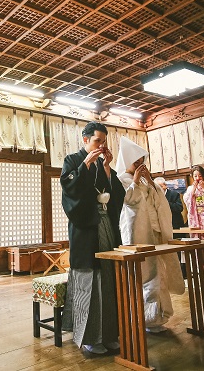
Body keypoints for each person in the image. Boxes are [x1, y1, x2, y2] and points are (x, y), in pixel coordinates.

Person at [60, 122, 125, 354]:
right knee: (89, 282)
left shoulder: (102, 163)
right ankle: (89, 338)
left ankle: (108, 334)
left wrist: (107, 168)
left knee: (108, 278)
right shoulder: (72, 160)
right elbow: (70, 189)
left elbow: (116, 194)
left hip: (105, 224)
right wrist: (86, 164)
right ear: (85, 140)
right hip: (85, 230)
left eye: (104, 142)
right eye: (98, 141)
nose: (101, 146)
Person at [117, 138, 184, 332]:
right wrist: (136, 182)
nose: (139, 166)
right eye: (135, 162)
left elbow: (159, 203)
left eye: (141, 162)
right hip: (139, 232)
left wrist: (151, 182)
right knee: (146, 275)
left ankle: (159, 317)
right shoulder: (121, 179)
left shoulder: (147, 180)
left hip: (154, 231)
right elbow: (128, 204)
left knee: (160, 274)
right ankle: (143, 318)